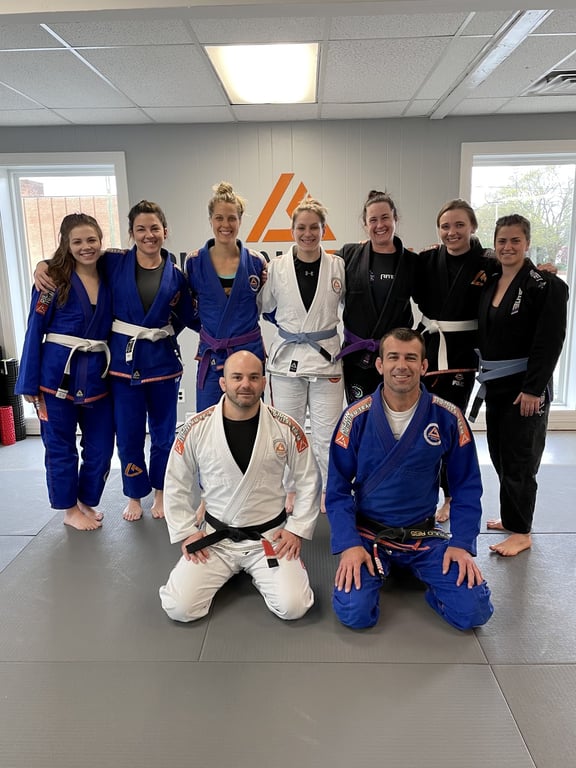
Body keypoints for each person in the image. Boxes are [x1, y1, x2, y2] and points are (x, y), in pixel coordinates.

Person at [34, 201, 197, 523]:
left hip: (162, 364)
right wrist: (43, 265)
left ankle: (161, 491)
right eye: (141, 229)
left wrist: (163, 335)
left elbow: (187, 316)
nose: (148, 235)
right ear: (131, 233)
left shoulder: (176, 275)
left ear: (165, 231)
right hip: (122, 366)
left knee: (164, 435)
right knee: (128, 434)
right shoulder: (114, 262)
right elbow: (74, 257)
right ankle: (134, 495)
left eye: (154, 228)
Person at [325, 328, 493, 631]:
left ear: (424, 366)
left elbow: (466, 486)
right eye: (393, 357)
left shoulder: (448, 417)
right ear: (380, 365)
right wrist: (349, 545)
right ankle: (385, 572)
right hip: (369, 535)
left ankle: (427, 584)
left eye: (411, 358)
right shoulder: (355, 417)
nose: (401, 366)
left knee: (474, 611)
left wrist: (462, 543)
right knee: (354, 613)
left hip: (421, 535)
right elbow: (337, 490)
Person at [159, 350, 321, 622]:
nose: (245, 384)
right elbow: (176, 481)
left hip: (269, 539)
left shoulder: (286, 427)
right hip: (216, 540)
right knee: (179, 608)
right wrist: (186, 532)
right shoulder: (196, 428)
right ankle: (231, 571)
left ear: (264, 383)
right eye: (237, 377)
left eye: (254, 377)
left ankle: (260, 572)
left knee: (294, 606)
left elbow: (309, 479)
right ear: (223, 383)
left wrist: (297, 529)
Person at [473, 214, 568, 557]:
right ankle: (512, 517)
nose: (508, 247)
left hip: (525, 387)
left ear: (527, 243)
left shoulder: (545, 285)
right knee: (500, 454)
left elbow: (550, 341)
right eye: (502, 241)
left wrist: (534, 389)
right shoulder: (492, 280)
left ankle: (522, 531)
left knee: (521, 459)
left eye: (515, 240)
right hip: (497, 386)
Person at [16, 213, 114, 531]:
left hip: (97, 374)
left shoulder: (109, 274)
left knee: (101, 445)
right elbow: (34, 329)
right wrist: (28, 382)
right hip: (55, 377)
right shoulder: (51, 281)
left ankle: (85, 499)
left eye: (92, 240)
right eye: (78, 241)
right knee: (60, 445)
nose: (86, 247)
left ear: (101, 241)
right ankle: (69, 509)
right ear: (66, 244)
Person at [258, 197, 345, 514]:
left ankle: (327, 489)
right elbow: (262, 306)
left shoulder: (338, 266)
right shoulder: (276, 268)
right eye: (301, 228)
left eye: (314, 228)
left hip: (326, 359)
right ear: (292, 230)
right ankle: (291, 488)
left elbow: (353, 305)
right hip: (287, 361)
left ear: (324, 229)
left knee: (327, 433)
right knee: (287, 430)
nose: (308, 234)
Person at [413, 199, 493, 522]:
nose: (452, 232)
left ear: (473, 227)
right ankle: (422, 493)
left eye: (459, 225)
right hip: (428, 348)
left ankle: (451, 495)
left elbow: (519, 275)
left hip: (462, 354)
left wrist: (543, 271)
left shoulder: (488, 262)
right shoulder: (427, 259)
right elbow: (396, 265)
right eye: (445, 226)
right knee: (422, 423)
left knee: (451, 425)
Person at [186, 182, 267, 412]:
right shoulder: (194, 262)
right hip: (213, 353)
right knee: (209, 419)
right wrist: (209, 331)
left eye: (232, 218)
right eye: (219, 218)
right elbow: (187, 309)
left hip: (248, 354)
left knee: (251, 417)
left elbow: (266, 306)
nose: (225, 225)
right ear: (210, 220)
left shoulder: (256, 262)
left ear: (240, 221)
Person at [337, 190, 415, 403]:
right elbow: (319, 271)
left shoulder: (412, 262)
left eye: (385, 218)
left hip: (397, 358)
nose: (380, 225)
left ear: (395, 218)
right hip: (357, 358)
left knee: (397, 414)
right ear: (365, 224)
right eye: (373, 220)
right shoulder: (348, 255)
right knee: (360, 414)